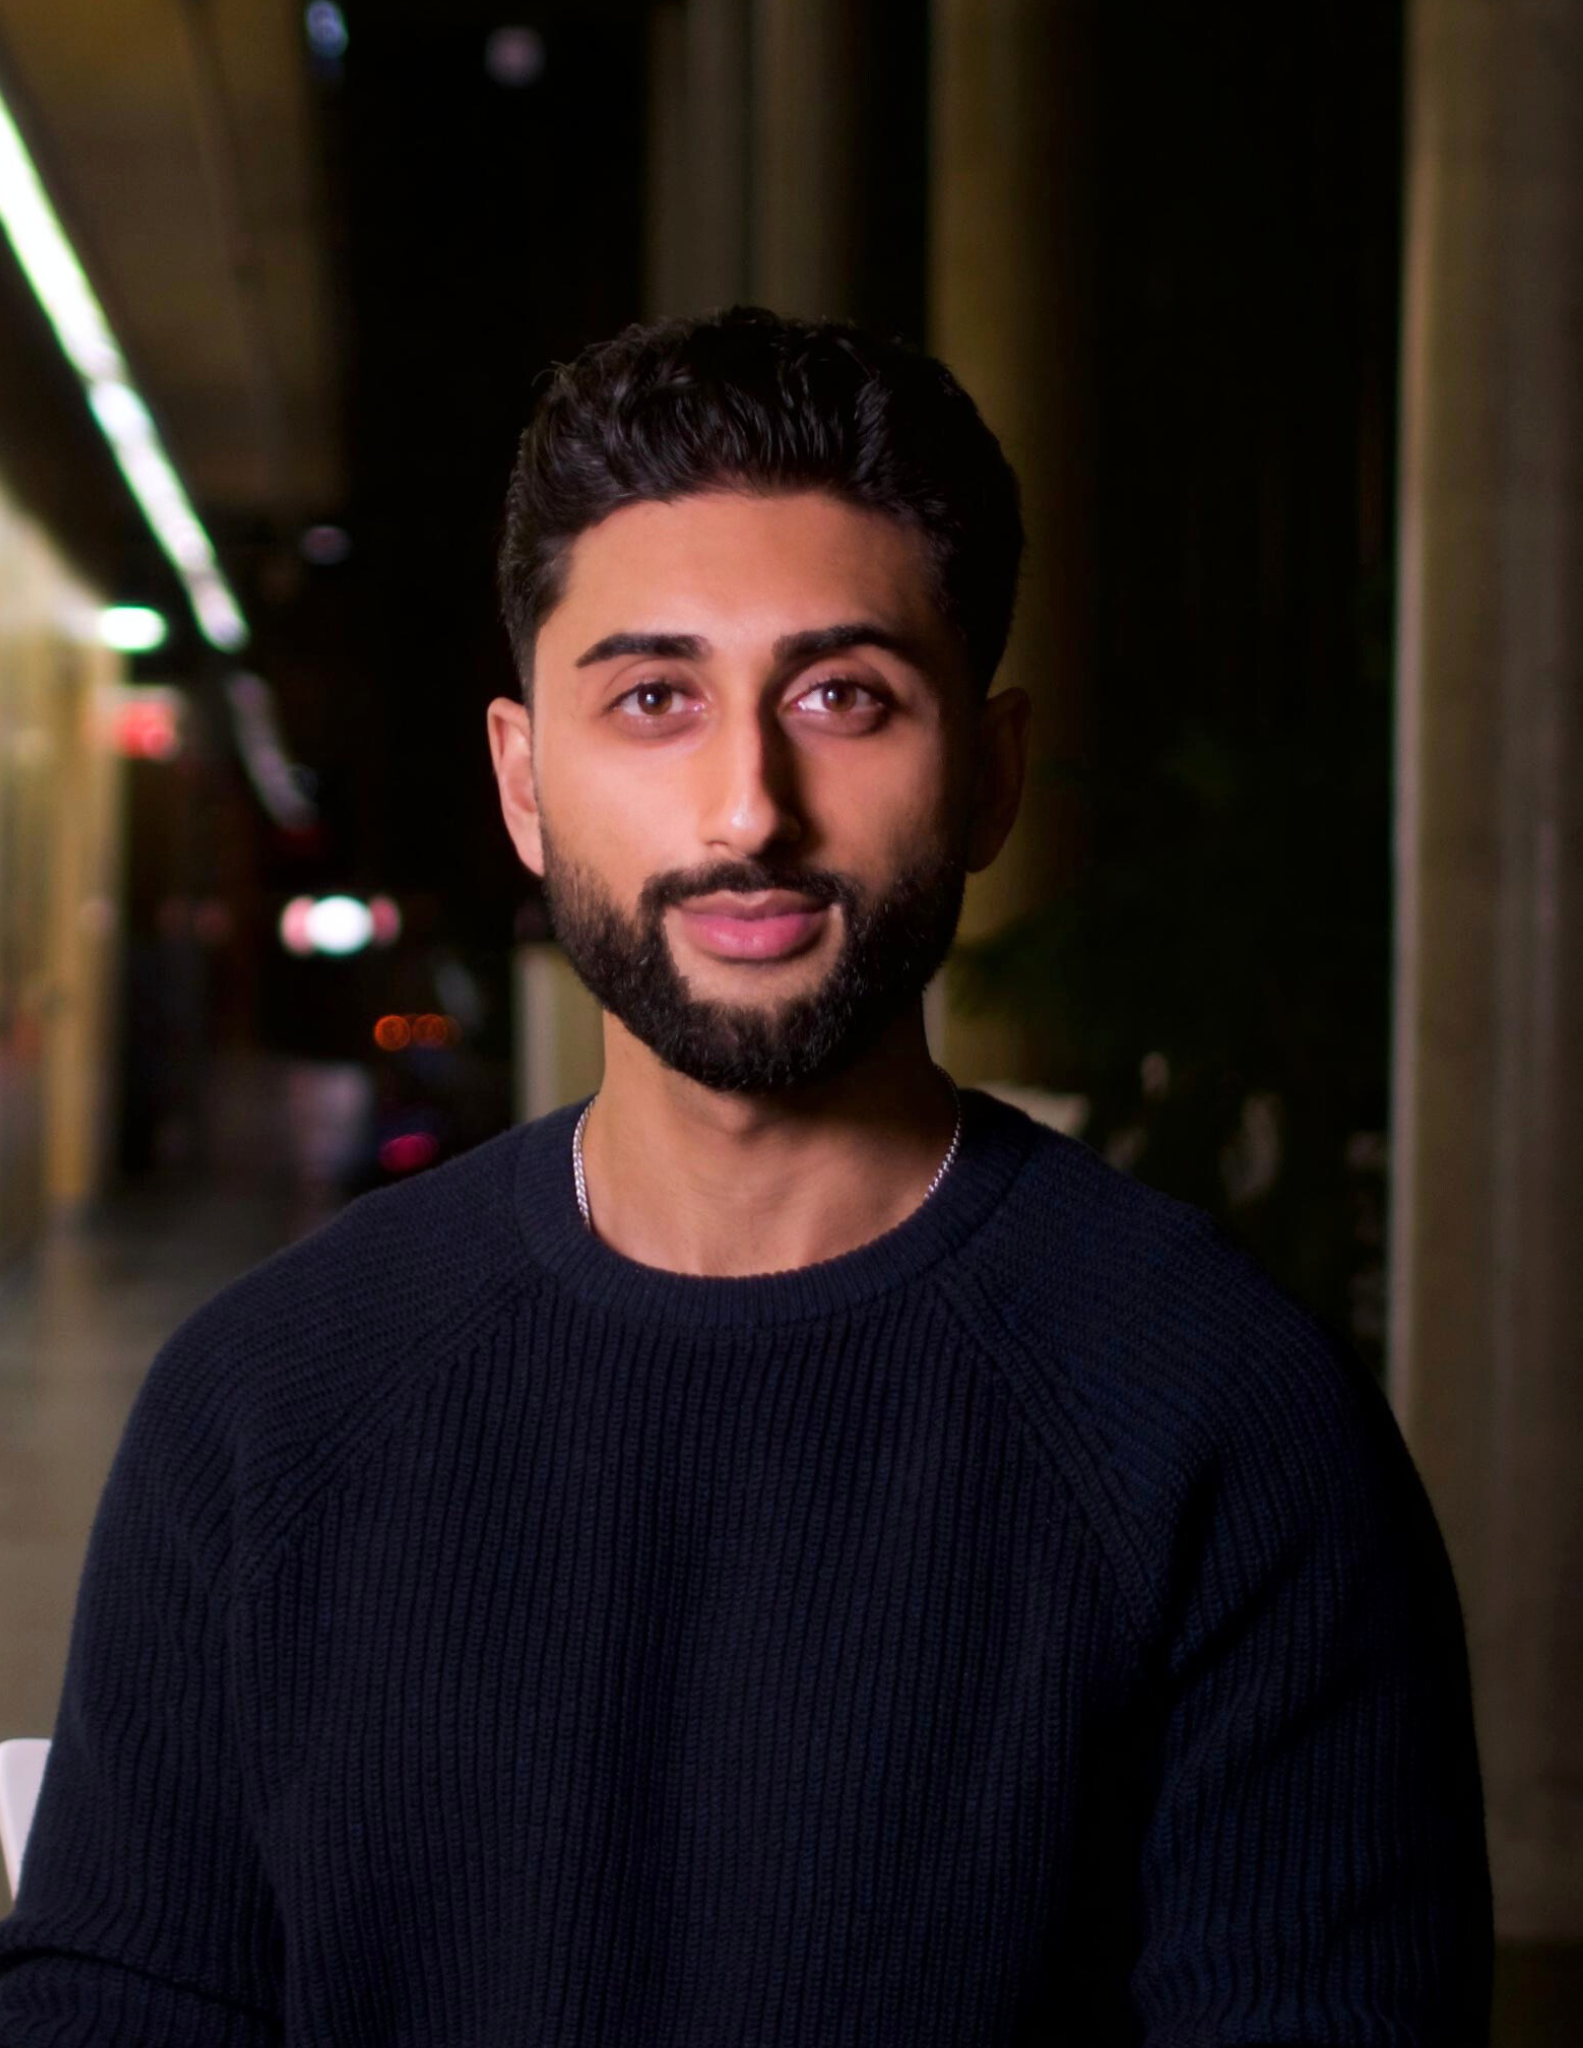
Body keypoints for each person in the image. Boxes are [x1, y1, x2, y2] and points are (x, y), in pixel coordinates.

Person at [0, 307, 1492, 2045]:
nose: (746, 810)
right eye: (653, 699)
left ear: (990, 773)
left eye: (842, 697)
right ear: (524, 782)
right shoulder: (264, 1406)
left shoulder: (1224, 1424)